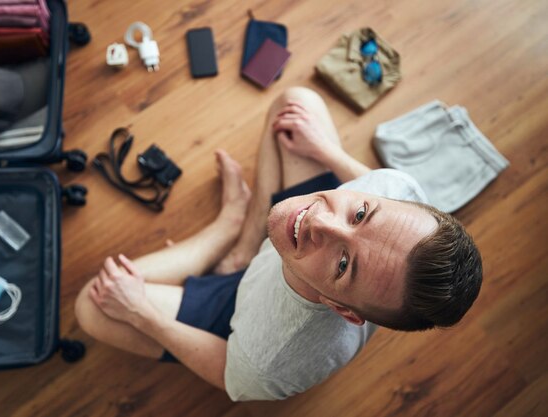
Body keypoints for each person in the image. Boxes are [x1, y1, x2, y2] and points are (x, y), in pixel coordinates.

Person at [75, 87, 482, 401]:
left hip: (238, 317)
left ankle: (224, 229)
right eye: (361, 213)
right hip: (276, 262)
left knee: (92, 307)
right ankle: (244, 239)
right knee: (296, 104)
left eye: (344, 265)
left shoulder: (273, 358)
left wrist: (141, 313)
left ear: (341, 309)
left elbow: (226, 374)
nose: (319, 220)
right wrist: (323, 150)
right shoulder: (400, 193)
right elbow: (375, 181)